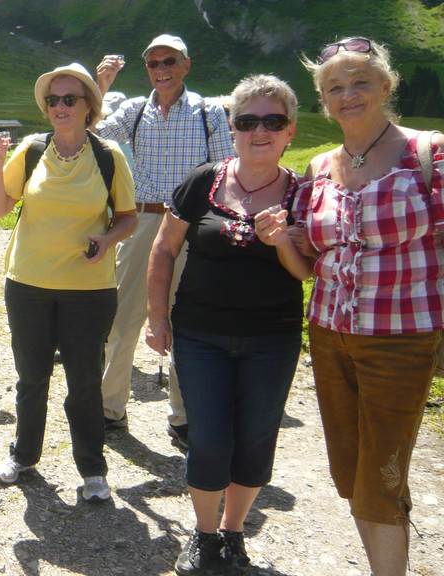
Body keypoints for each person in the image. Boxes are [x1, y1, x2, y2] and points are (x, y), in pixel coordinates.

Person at [288, 38, 444, 576]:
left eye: (359, 82)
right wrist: (282, 239)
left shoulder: (428, 153)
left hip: (402, 336)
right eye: (335, 87)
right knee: (349, 467)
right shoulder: (318, 166)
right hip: (330, 333)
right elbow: (312, 257)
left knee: (382, 471)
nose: (347, 95)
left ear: (385, 85)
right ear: (323, 100)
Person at [145, 75, 311, 575]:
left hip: (273, 339)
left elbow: (307, 272)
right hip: (200, 336)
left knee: (256, 439)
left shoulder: (304, 193)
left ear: (290, 132)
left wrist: (282, 240)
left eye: (272, 121)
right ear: (232, 129)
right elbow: (163, 249)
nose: (259, 130)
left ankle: (234, 533)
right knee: (210, 439)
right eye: (247, 121)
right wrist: (157, 319)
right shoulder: (204, 181)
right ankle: (203, 535)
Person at [0, 63, 136, 501]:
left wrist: (107, 240)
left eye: (70, 98)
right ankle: (23, 455)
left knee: (85, 382)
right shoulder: (31, 150)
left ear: (89, 105)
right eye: (53, 100)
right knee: (31, 377)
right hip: (28, 284)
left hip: (89, 290)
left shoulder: (108, 156)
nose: (60, 106)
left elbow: (127, 217)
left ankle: (92, 470)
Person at [94, 34, 235, 448]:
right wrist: (100, 87)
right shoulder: (136, 110)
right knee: (124, 315)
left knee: (188, 321)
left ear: (186, 65)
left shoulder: (209, 112)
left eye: (169, 61)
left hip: (192, 227)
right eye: (153, 64)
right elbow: (93, 136)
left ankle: (185, 416)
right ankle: (109, 407)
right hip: (142, 221)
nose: (161, 70)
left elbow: (228, 170)